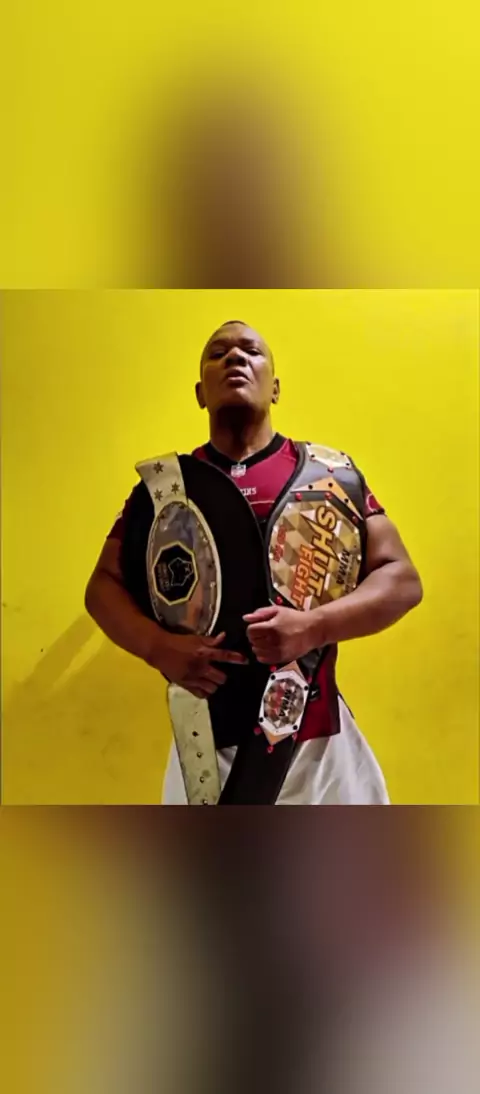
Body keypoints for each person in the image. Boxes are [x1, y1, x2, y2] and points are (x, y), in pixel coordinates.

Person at [85, 320, 422, 804]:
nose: (235, 358)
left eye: (251, 351)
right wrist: (158, 647)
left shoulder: (331, 475)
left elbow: (401, 579)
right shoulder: (163, 490)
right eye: (218, 353)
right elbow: (103, 586)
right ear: (200, 393)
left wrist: (314, 627)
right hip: (204, 744)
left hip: (319, 745)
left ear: (276, 387)